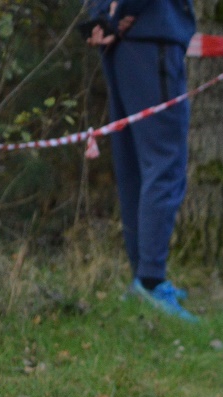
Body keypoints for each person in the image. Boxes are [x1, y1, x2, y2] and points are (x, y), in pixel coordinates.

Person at [84, 0, 198, 322]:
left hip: (124, 41)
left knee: (135, 165)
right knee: (165, 163)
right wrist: (115, 12)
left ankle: (142, 278)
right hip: (151, 35)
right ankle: (150, 281)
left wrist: (101, 16)